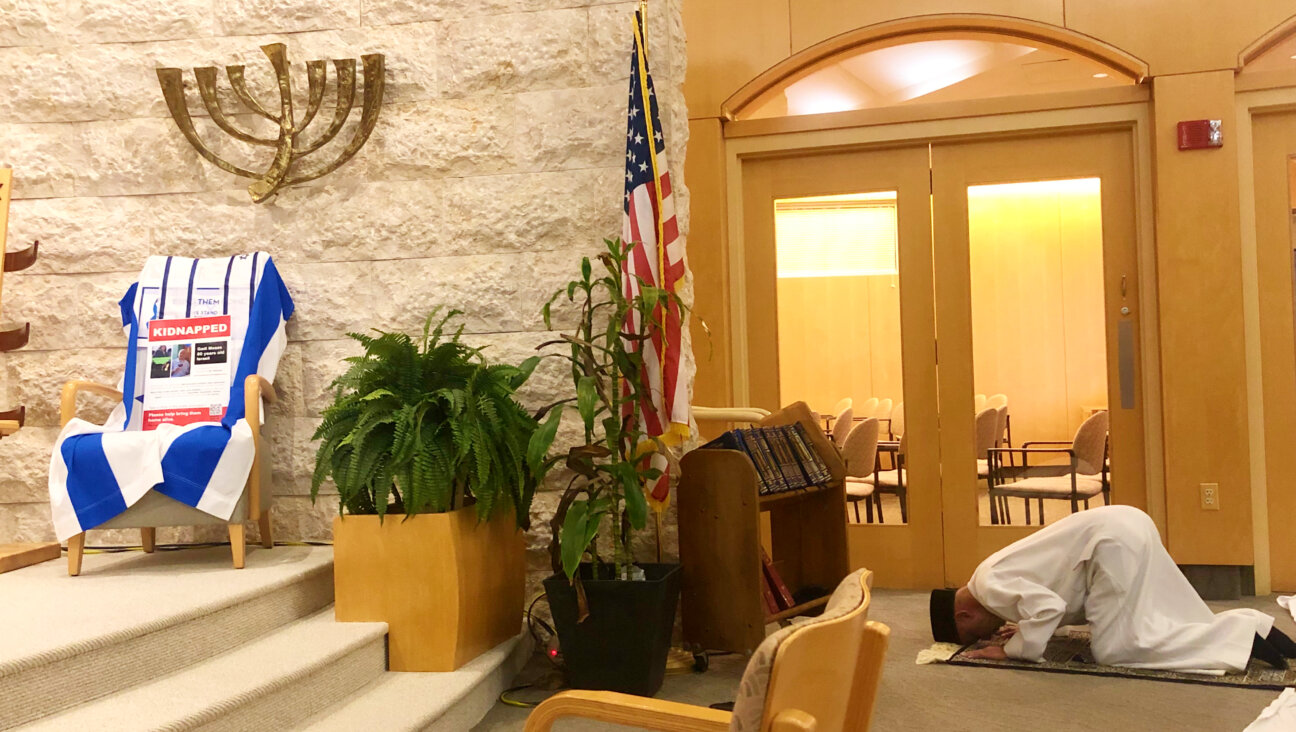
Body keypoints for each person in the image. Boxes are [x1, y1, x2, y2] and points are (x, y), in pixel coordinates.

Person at [930, 505, 1296, 672]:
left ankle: (1241, 635)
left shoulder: (989, 587)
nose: (984, 637)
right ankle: (1262, 628)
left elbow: (1050, 607)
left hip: (1111, 544)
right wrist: (1025, 627)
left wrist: (1014, 650)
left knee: (1116, 649)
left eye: (969, 634)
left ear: (964, 613)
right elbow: (1054, 586)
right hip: (1127, 522)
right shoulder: (988, 574)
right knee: (1160, 615)